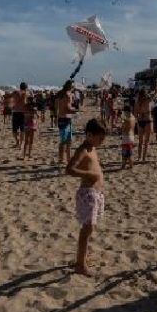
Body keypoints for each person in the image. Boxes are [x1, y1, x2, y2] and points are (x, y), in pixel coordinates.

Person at [65, 118, 107, 276]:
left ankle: (82, 257)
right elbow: (69, 169)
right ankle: (80, 265)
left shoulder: (92, 148)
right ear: (89, 134)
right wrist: (89, 174)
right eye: (100, 138)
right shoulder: (82, 150)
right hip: (88, 193)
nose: (102, 141)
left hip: (95, 193)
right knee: (86, 229)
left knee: (90, 228)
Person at [56, 82, 76, 164]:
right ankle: (64, 159)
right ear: (71, 87)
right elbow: (67, 109)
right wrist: (75, 110)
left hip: (62, 119)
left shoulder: (61, 94)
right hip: (65, 119)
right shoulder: (68, 95)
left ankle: (65, 159)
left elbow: (58, 107)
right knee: (66, 141)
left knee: (66, 141)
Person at [135, 89, 152, 162]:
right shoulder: (148, 100)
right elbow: (154, 95)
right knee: (146, 141)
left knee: (140, 141)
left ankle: (139, 157)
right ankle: (144, 158)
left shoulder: (138, 102)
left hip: (140, 120)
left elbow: (135, 113)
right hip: (147, 120)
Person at [11, 83, 29, 148]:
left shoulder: (15, 93)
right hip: (22, 112)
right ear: (26, 87)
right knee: (22, 129)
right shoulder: (25, 94)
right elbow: (24, 103)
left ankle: (17, 141)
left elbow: (12, 100)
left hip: (15, 112)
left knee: (14, 129)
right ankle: (21, 143)